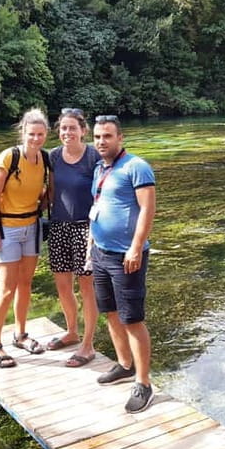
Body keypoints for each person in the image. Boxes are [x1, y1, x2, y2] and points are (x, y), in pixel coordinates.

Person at [88, 115, 156, 414]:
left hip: (126, 256)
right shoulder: (99, 168)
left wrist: (135, 248)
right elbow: (99, 207)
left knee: (132, 319)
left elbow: (147, 209)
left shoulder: (137, 167)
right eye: (98, 137)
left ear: (120, 138)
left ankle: (144, 383)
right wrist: (91, 246)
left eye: (107, 136)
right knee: (110, 313)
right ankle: (125, 365)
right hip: (101, 253)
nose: (102, 141)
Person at [0, 108, 51, 368]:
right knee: (7, 289)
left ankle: (20, 335)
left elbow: (42, 195)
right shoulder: (8, 158)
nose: (36, 139)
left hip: (32, 227)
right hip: (7, 229)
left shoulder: (44, 160)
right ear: (23, 132)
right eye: (31, 134)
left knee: (25, 284)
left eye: (41, 134)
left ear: (46, 135)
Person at [46, 108, 101, 367]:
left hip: (86, 228)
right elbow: (51, 192)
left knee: (87, 287)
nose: (67, 133)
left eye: (72, 128)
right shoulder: (54, 156)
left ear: (83, 131)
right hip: (59, 226)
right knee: (63, 285)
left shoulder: (93, 156)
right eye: (63, 128)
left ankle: (88, 345)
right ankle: (71, 332)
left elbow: (103, 192)